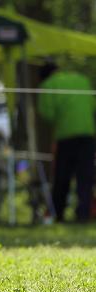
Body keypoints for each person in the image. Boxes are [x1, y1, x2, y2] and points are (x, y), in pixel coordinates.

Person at [37, 62, 95, 223]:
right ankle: (83, 214)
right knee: (85, 178)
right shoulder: (82, 80)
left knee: (62, 177)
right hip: (87, 135)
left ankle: (59, 214)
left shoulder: (48, 84)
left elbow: (47, 113)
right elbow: (92, 105)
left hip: (66, 137)